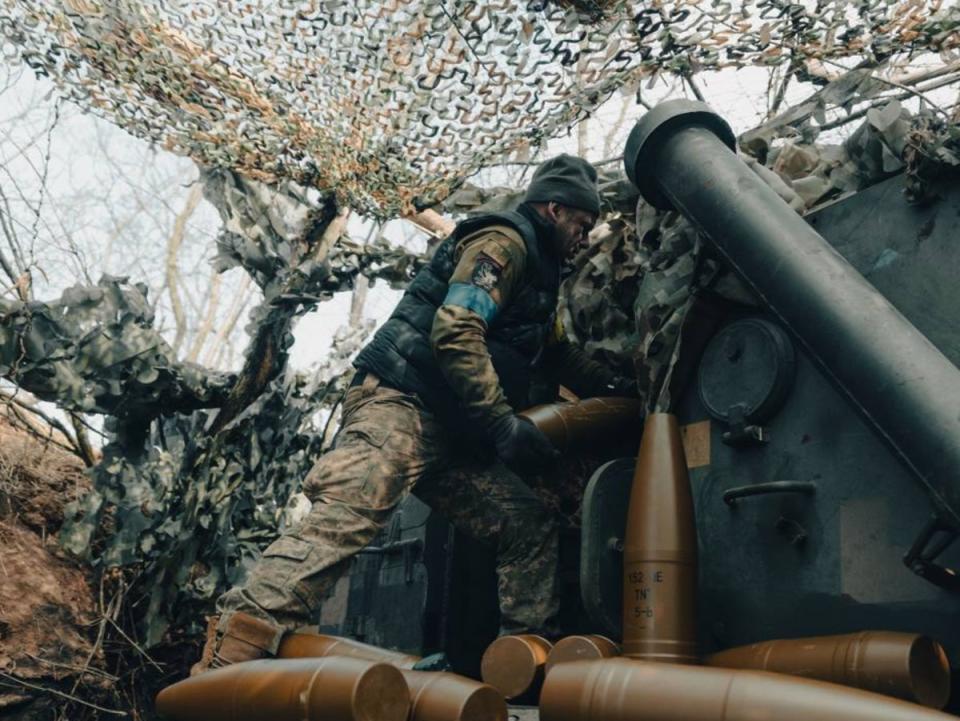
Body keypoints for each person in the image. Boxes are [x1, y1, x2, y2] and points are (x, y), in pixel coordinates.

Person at [193, 154, 636, 674]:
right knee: (345, 521)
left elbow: (557, 355)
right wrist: (500, 423)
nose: (585, 238)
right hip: (401, 405)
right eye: (582, 225)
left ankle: (523, 661)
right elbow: (455, 330)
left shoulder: (542, 277)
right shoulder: (505, 244)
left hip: (451, 432)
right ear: (555, 209)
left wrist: (622, 390)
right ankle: (228, 658)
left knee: (525, 524)